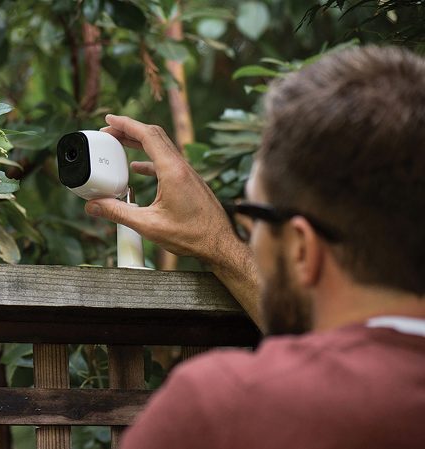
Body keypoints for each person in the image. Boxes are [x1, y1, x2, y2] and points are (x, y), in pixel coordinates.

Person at [86, 45, 425, 448]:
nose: (247, 228)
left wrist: (217, 244)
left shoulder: (223, 406)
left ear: (301, 247)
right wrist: (218, 245)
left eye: (254, 215)